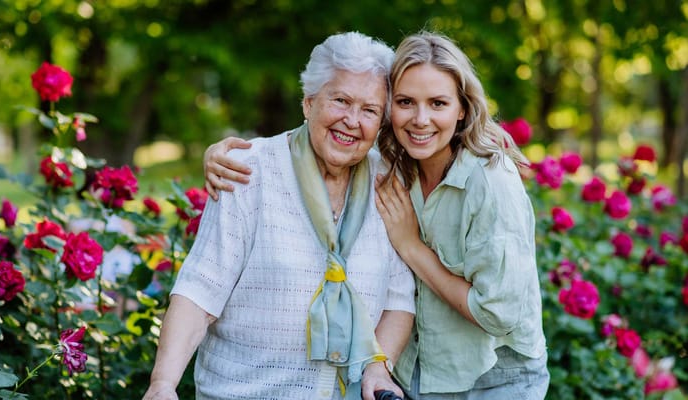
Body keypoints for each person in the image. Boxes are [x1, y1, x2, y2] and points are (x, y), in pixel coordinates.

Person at [203, 31, 549, 399]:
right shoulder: (394, 166)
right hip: (418, 372)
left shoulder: (490, 183)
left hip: (493, 377)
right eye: (405, 102)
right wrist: (229, 156)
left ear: (462, 108)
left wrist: (412, 247)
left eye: (438, 103)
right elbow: (318, 137)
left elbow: (497, 314)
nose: (420, 119)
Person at [143, 31, 415, 400]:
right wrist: (162, 385)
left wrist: (378, 366)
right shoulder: (248, 171)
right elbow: (199, 291)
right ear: (308, 103)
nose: (352, 120)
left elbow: (399, 297)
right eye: (340, 100)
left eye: (368, 110)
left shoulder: (388, 182)